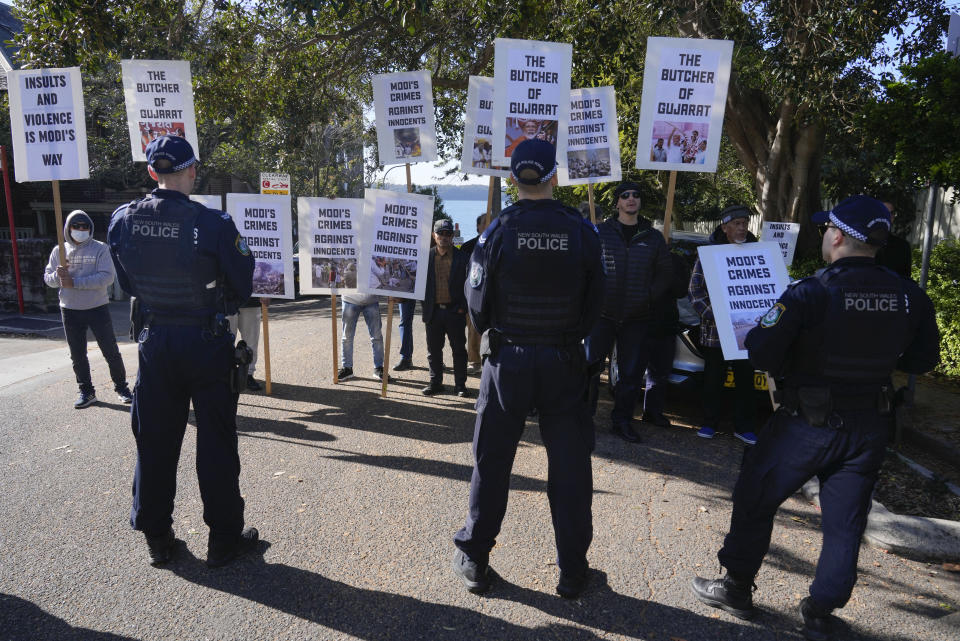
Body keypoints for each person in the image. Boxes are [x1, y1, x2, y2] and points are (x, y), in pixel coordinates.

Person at [691, 195, 940, 640]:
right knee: (845, 524)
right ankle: (822, 612)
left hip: (806, 423)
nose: (825, 234)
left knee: (755, 497)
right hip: (870, 426)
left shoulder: (812, 291)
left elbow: (763, 351)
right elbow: (923, 360)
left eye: (827, 229)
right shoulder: (909, 295)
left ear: (838, 235)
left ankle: (735, 588)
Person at [452, 138, 604, 598]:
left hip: (509, 363)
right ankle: (573, 570)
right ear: (554, 176)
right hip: (563, 361)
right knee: (571, 467)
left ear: (514, 178)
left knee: (492, 461)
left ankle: (476, 557)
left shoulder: (496, 231)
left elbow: (476, 304)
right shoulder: (581, 231)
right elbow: (596, 303)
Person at [108, 135, 258, 569]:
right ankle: (224, 540)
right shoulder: (213, 224)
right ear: (191, 170)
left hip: (155, 343)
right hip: (205, 342)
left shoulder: (122, 220)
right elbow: (243, 284)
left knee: (154, 441)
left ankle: (157, 538)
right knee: (216, 441)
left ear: (152, 173)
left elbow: (129, 284)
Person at [585, 181, 673, 442]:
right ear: (617, 203)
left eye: (636, 195)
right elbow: (585, 267)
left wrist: (647, 297)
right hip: (601, 315)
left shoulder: (653, 237)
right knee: (588, 367)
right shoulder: (600, 232)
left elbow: (665, 274)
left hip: (636, 317)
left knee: (631, 374)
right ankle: (582, 416)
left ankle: (622, 420)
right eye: (625, 195)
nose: (631, 199)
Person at [43, 210, 133, 408]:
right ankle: (86, 391)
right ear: (68, 228)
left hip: (97, 307)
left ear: (90, 229)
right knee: (77, 354)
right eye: (77, 226)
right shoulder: (59, 251)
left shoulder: (101, 249)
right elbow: (48, 279)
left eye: (85, 226)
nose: (81, 230)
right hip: (69, 309)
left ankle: (122, 387)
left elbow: (106, 278)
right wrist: (58, 277)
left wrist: (73, 282)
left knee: (110, 351)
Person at [687, 205, 759, 445]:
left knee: (745, 380)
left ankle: (744, 426)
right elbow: (695, 291)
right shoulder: (708, 254)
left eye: (745, 223)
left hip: (745, 331)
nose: (742, 228)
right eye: (737, 224)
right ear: (724, 228)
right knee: (713, 379)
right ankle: (709, 423)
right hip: (715, 331)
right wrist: (713, 315)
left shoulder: (757, 253)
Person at [642, 248, 691, 427]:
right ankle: (623, 415)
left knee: (660, 374)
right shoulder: (642, 257)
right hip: (639, 322)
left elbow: (681, 290)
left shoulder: (675, 261)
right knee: (631, 373)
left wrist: (669, 272)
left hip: (665, 325)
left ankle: (652, 413)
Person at [421, 218, 469, 397]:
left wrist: (462, 308)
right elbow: (418, 285)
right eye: (441, 233)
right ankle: (435, 383)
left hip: (455, 312)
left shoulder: (464, 258)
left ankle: (460, 385)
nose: (444, 237)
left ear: (453, 236)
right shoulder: (425, 258)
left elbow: (470, 286)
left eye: (448, 234)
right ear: (434, 236)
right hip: (433, 313)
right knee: (433, 351)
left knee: (458, 350)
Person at [460, 213, 491, 374]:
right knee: (473, 330)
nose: (488, 225)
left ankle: (490, 360)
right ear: (478, 227)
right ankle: (474, 361)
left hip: (493, 297)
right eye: (485, 223)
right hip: (473, 296)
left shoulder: (499, 244)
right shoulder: (468, 247)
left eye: (491, 222)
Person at [337, 292, 387, 380]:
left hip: (371, 299)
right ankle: (347, 368)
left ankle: (379, 368)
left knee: (377, 337)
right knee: (347, 337)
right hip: (349, 299)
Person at [228, 298, 263, 392]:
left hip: (252, 300)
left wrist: (268, 293)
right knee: (224, 342)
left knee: (251, 341)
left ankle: (248, 375)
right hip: (224, 298)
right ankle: (225, 376)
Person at [874, 200, 913, 278]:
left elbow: (905, 277)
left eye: (891, 213)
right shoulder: (862, 241)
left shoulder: (902, 246)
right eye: (883, 212)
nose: (888, 216)